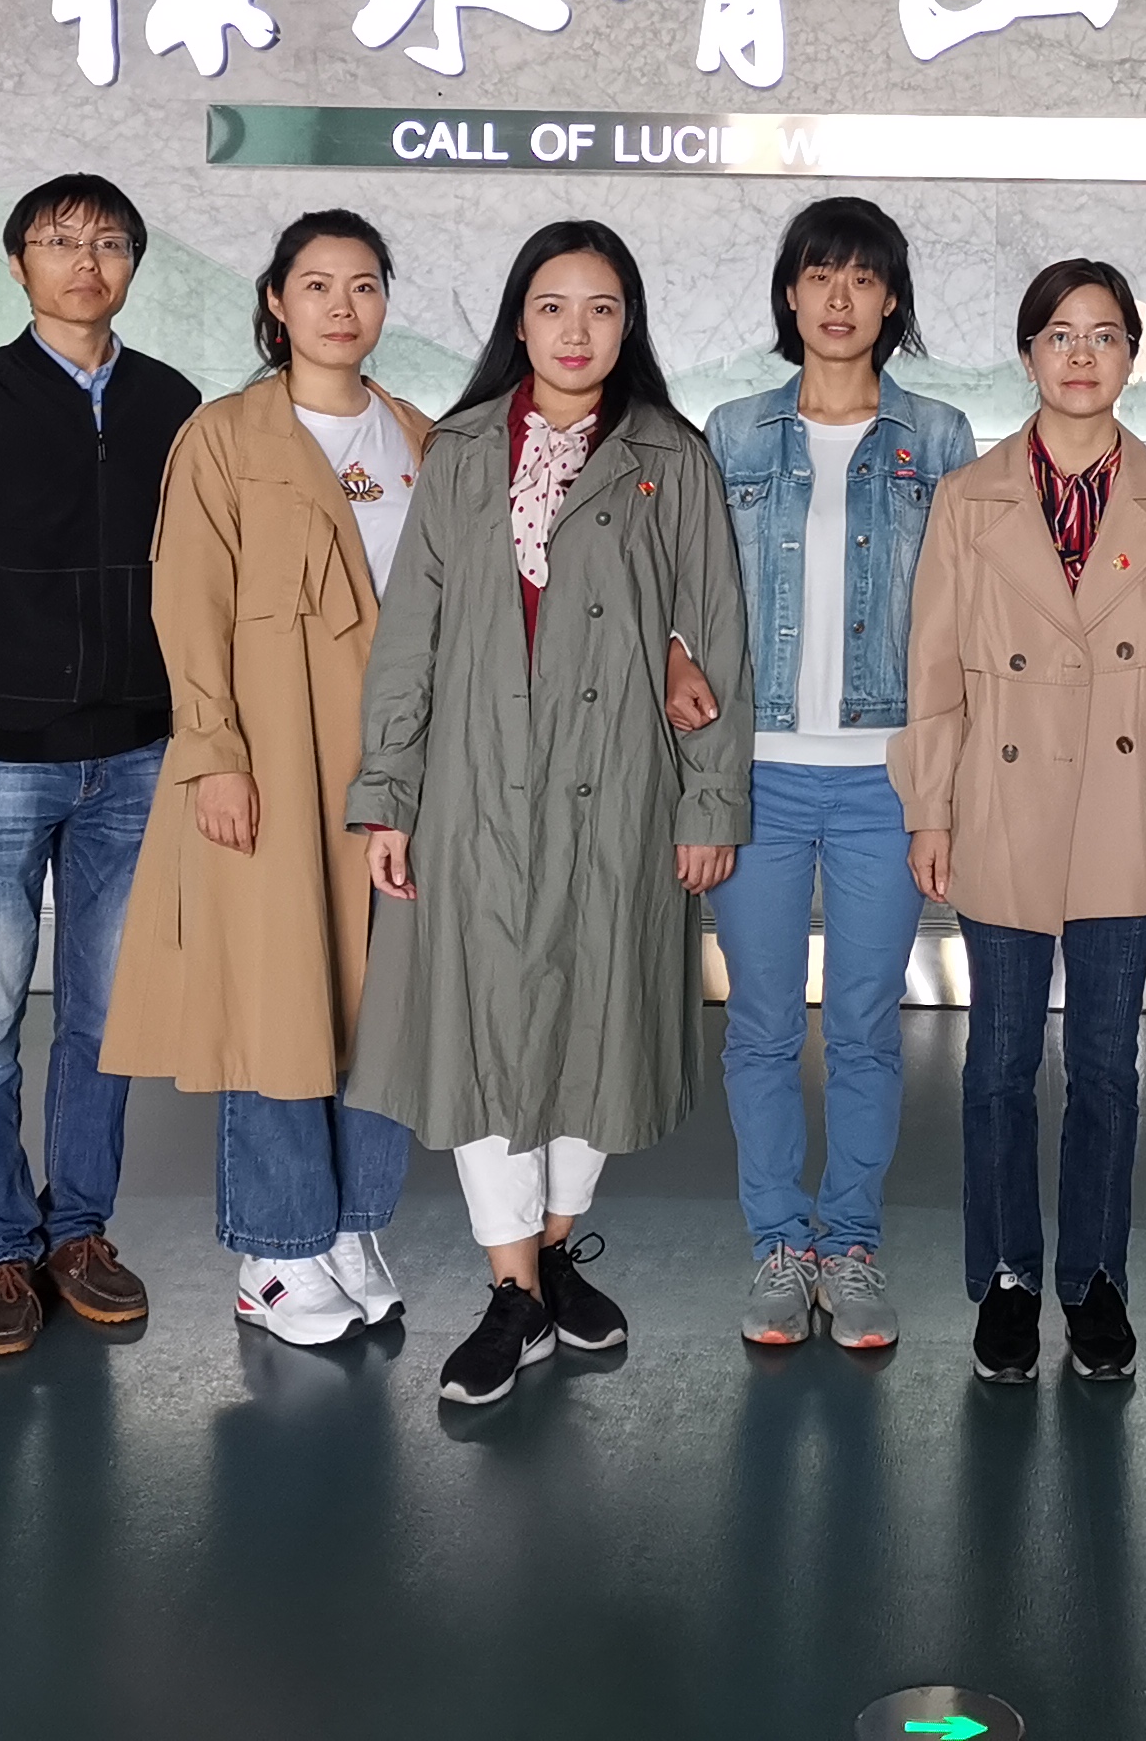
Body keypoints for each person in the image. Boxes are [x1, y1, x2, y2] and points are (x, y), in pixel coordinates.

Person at [343, 220, 753, 1407]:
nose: (578, 331)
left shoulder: (671, 456)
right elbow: (410, 636)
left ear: (630, 326)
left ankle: (555, 1251)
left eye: (603, 308)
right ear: (519, 322)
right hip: (474, 787)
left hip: (620, 786)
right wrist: (387, 795)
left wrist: (711, 800)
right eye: (554, 306)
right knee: (481, 1030)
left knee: (597, 1023)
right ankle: (513, 1288)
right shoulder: (464, 449)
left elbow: (718, 638)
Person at [898, 255, 1146, 1386]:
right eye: (1059, 334)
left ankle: (1095, 1281)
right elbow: (934, 672)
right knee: (998, 1062)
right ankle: (1007, 1278)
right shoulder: (969, 499)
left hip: (1127, 807)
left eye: (1104, 335)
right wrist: (929, 808)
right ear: (1028, 354)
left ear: (1134, 354)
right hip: (999, 803)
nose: (1082, 354)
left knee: (1105, 1067)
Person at [0, 174, 201, 1360]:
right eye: (59, 242)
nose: (85, 261)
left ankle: (80, 1234)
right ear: (18, 265)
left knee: (106, 1020)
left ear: (133, 266)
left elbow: (198, 569)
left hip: (137, 755)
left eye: (108, 242)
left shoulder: (173, 404)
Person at [98, 210, 429, 1348]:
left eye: (365, 284)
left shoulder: (420, 437)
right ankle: (277, 1253)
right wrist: (214, 753)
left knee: (386, 1002)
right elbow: (186, 600)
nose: (343, 306)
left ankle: (354, 1226)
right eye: (318, 284)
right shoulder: (225, 436)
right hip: (275, 760)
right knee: (277, 992)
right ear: (277, 303)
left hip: (395, 766)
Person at [705, 198, 979, 1354]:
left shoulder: (940, 438)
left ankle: (850, 1245)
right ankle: (779, 1245)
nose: (838, 298)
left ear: (892, 300)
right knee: (764, 1024)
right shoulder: (731, 433)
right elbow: (691, 605)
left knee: (866, 1023)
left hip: (885, 778)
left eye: (863, 279)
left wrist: (945, 787)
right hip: (758, 774)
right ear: (790, 292)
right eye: (820, 275)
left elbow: (964, 623)